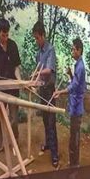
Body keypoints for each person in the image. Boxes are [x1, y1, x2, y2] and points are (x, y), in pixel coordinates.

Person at [54, 38, 85, 167]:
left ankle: (75, 166)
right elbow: (75, 82)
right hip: (74, 108)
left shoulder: (81, 67)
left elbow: (74, 87)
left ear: (79, 50)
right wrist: (70, 75)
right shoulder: (77, 65)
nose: (72, 51)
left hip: (77, 109)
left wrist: (60, 92)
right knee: (73, 137)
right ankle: (73, 164)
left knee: (74, 139)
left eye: (73, 49)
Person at [32, 20, 58, 168]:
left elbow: (48, 70)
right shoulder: (38, 53)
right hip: (42, 89)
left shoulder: (50, 50)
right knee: (44, 119)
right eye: (35, 38)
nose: (36, 41)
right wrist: (33, 82)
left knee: (51, 122)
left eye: (37, 38)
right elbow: (40, 76)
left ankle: (54, 155)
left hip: (50, 90)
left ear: (43, 36)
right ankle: (48, 144)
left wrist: (37, 72)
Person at [0, 18, 22, 154]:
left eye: (7, 35)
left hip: (13, 89)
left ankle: (14, 143)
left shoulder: (13, 46)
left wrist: (19, 81)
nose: (5, 37)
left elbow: (16, 67)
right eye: (3, 35)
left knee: (14, 118)